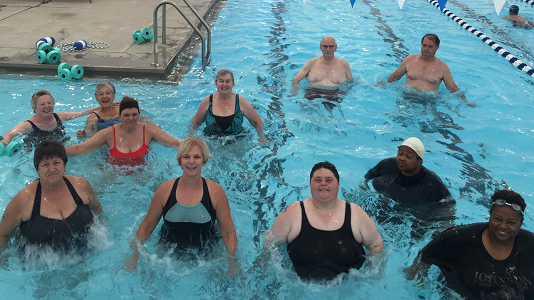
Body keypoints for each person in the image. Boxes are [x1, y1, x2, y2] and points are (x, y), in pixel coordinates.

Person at [124, 137, 237, 273]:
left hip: (207, 252)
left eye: (197, 157)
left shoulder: (215, 192)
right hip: (168, 251)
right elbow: (147, 226)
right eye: (186, 157)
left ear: (204, 161)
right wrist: (134, 255)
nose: (191, 162)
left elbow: (228, 231)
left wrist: (232, 262)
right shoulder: (165, 190)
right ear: (179, 161)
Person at [264, 161, 383, 282]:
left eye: (329, 180)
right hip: (299, 286)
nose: (323, 184)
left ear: (338, 184)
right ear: (310, 184)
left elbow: (376, 245)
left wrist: (368, 276)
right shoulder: (293, 212)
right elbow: (270, 244)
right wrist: (282, 273)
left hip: (346, 288)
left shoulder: (356, 214)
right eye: (317, 180)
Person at [408, 190, 534, 299]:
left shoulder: (530, 245)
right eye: (498, 219)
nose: (503, 226)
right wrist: (421, 292)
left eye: (511, 222)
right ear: (490, 216)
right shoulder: (458, 238)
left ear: (521, 223)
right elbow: (421, 261)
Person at [0, 140, 102, 254]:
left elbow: (97, 208)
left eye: (56, 162)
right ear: (37, 170)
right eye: (45, 164)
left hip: (87, 257)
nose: (52, 169)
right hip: (38, 268)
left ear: (65, 166)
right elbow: (3, 234)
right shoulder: (24, 200)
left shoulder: (81, 186)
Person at [66, 97, 182, 166]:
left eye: (134, 114)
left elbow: (175, 143)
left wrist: (197, 148)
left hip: (143, 175)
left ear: (139, 115)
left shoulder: (149, 131)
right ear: (119, 116)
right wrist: (52, 153)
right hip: (113, 176)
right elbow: (81, 148)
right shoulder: (108, 133)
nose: (130, 118)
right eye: (126, 115)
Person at [387, 34, 474, 107]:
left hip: (428, 101)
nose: (426, 48)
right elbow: (394, 77)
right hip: (406, 96)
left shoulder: (443, 67)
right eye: (424, 45)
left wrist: (466, 102)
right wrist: (379, 85)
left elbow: (453, 89)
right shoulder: (410, 59)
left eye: (430, 46)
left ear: (437, 47)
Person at [1, 90, 101, 148]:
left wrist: (105, 107)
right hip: (38, 153)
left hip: (60, 148)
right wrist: (5, 142)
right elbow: (10, 134)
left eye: (49, 103)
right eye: (42, 104)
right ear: (34, 107)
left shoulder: (60, 116)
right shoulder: (28, 125)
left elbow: (82, 113)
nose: (47, 106)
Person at [363, 137, 450, 203]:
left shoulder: (432, 183)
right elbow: (365, 181)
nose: (402, 158)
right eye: (400, 153)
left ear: (420, 161)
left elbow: (448, 206)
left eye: (408, 156)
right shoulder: (386, 165)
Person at [191, 69, 266, 143]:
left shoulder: (240, 101)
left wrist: (261, 137)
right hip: (211, 142)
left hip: (237, 142)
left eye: (228, 81)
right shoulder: (208, 101)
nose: (224, 84)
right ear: (216, 83)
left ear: (233, 83)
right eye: (221, 81)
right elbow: (196, 122)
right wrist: (190, 138)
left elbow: (257, 122)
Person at [292, 36, 354, 109]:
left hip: (334, 94)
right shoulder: (311, 63)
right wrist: (294, 93)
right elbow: (296, 79)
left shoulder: (344, 64)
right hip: (312, 92)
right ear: (321, 48)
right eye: (325, 46)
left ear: (335, 48)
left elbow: (351, 82)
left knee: (332, 116)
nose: (328, 49)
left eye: (331, 46)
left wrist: (345, 94)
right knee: (305, 111)